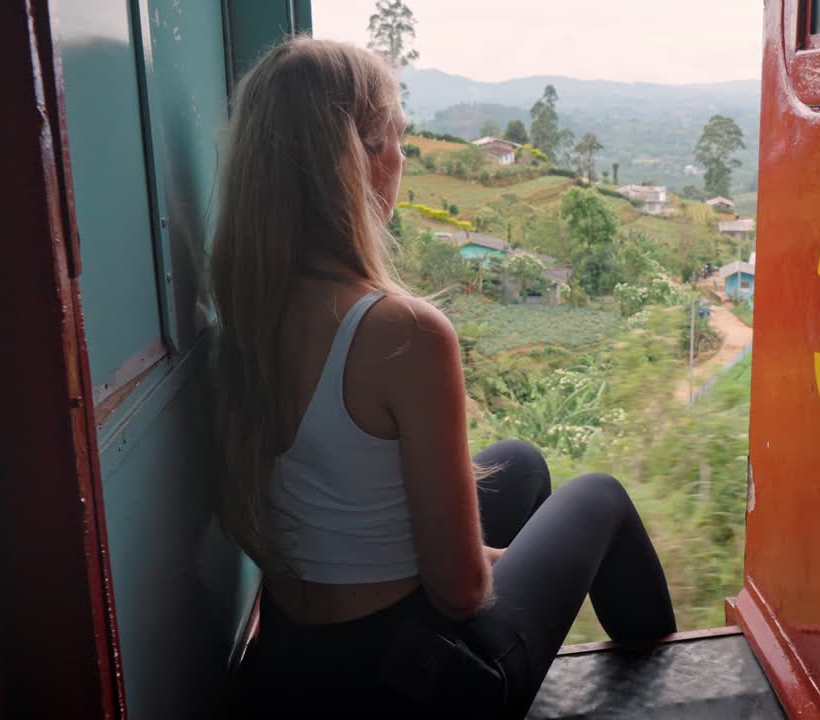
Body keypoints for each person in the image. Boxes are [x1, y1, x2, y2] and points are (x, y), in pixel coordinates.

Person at [209, 38, 676, 718]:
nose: (402, 158)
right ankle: (683, 684)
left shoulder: (246, 312)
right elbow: (459, 591)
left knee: (519, 463)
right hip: (414, 684)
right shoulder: (403, 332)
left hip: (293, 662)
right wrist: (516, 564)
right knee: (599, 497)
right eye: (392, 137)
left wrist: (506, 556)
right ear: (357, 161)